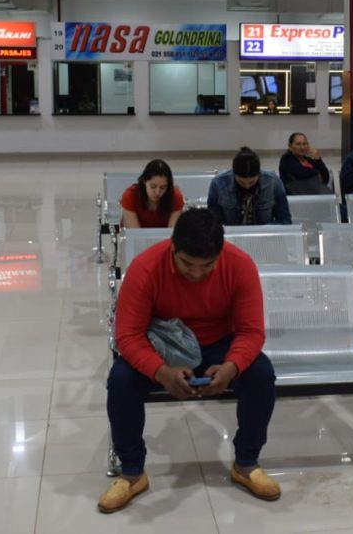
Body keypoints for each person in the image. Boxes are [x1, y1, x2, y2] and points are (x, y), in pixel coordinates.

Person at [100, 209, 279, 513]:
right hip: (165, 346)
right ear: (173, 248)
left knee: (261, 374)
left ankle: (246, 463)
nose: (196, 273)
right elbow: (128, 336)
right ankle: (131, 472)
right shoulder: (145, 268)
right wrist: (160, 371)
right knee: (121, 381)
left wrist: (231, 366)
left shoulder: (239, 265)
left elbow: (251, 332)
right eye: (187, 264)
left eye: (207, 265)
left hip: (218, 344)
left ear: (220, 253)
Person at [208, 147, 292, 225]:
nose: (247, 186)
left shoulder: (273, 182)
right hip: (231, 234)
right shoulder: (218, 183)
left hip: (263, 234)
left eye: (251, 182)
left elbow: (285, 220)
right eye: (241, 182)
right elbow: (214, 224)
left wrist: (264, 230)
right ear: (234, 174)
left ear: (259, 174)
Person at [119, 159, 185, 228]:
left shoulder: (176, 197)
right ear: (144, 181)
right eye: (153, 186)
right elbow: (135, 232)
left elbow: (173, 232)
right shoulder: (130, 196)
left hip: (165, 235)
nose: (157, 192)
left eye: (163, 187)